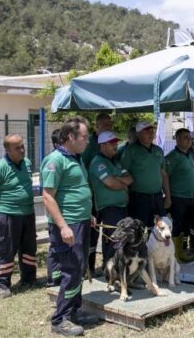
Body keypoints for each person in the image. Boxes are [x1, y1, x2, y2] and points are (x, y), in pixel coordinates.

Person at [41, 116, 99, 336]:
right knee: (71, 270)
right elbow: (47, 197)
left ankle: (75, 312)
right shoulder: (55, 161)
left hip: (81, 221)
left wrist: (89, 214)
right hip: (68, 226)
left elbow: (77, 190)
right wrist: (64, 226)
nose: (87, 141)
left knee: (79, 268)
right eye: (84, 137)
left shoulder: (77, 158)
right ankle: (60, 320)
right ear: (70, 137)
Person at [0, 134, 36, 299]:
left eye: (22, 146)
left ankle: (28, 279)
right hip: (7, 215)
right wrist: (7, 204)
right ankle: (4, 285)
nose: (22, 150)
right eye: (17, 148)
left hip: (27, 213)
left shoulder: (27, 163)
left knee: (29, 249)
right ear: (7, 150)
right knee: (6, 250)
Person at [88, 131, 132, 272]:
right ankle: (111, 272)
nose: (116, 145)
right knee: (114, 240)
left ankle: (113, 271)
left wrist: (118, 179)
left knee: (119, 240)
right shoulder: (98, 162)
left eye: (116, 142)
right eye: (112, 143)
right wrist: (122, 183)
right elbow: (110, 183)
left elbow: (130, 178)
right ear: (103, 145)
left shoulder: (115, 161)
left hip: (122, 207)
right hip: (108, 208)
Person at [78, 113, 113, 276]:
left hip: (107, 197)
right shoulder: (89, 144)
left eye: (110, 123)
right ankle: (88, 267)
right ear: (96, 125)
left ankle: (108, 265)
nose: (108, 126)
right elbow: (82, 168)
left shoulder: (111, 143)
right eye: (104, 123)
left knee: (107, 233)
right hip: (91, 197)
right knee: (91, 234)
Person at [121, 121, 171, 227]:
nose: (151, 133)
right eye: (146, 131)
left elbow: (163, 174)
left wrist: (168, 196)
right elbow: (123, 173)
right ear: (138, 134)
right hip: (139, 199)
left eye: (152, 130)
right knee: (139, 230)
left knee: (159, 229)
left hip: (157, 197)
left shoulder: (158, 150)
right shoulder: (130, 151)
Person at [164, 128, 194, 262]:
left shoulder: (190, 155)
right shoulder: (173, 157)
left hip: (191, 196)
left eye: (189, 137)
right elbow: (165, 175)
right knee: (177, 226)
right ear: (177, 139)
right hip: (178, 197)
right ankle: (173, 254)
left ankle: (183, 250)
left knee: (186, 226)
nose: (189, 140)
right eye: (185, 137)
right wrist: (168, 196)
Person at [46, 128, 62, 288]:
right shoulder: (53, 161)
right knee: (55, 248)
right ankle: (53, 279)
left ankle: (59, 276)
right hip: (56, 215)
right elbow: (49, 194)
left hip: (66, 215)